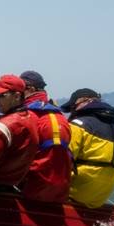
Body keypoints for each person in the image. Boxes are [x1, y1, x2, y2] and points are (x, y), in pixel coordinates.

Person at [62, 88, 114, 207]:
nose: (71, 113)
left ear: (82, 102)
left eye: (72, 108)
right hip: (100, 198)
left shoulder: (78, 126)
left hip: (76, 193)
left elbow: (63, 162)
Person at [16, 69, 72, 202]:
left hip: (34, 189)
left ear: (29, 89)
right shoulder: (61, 117)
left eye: (19, 90)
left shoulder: (27, 116)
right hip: (61, 191)